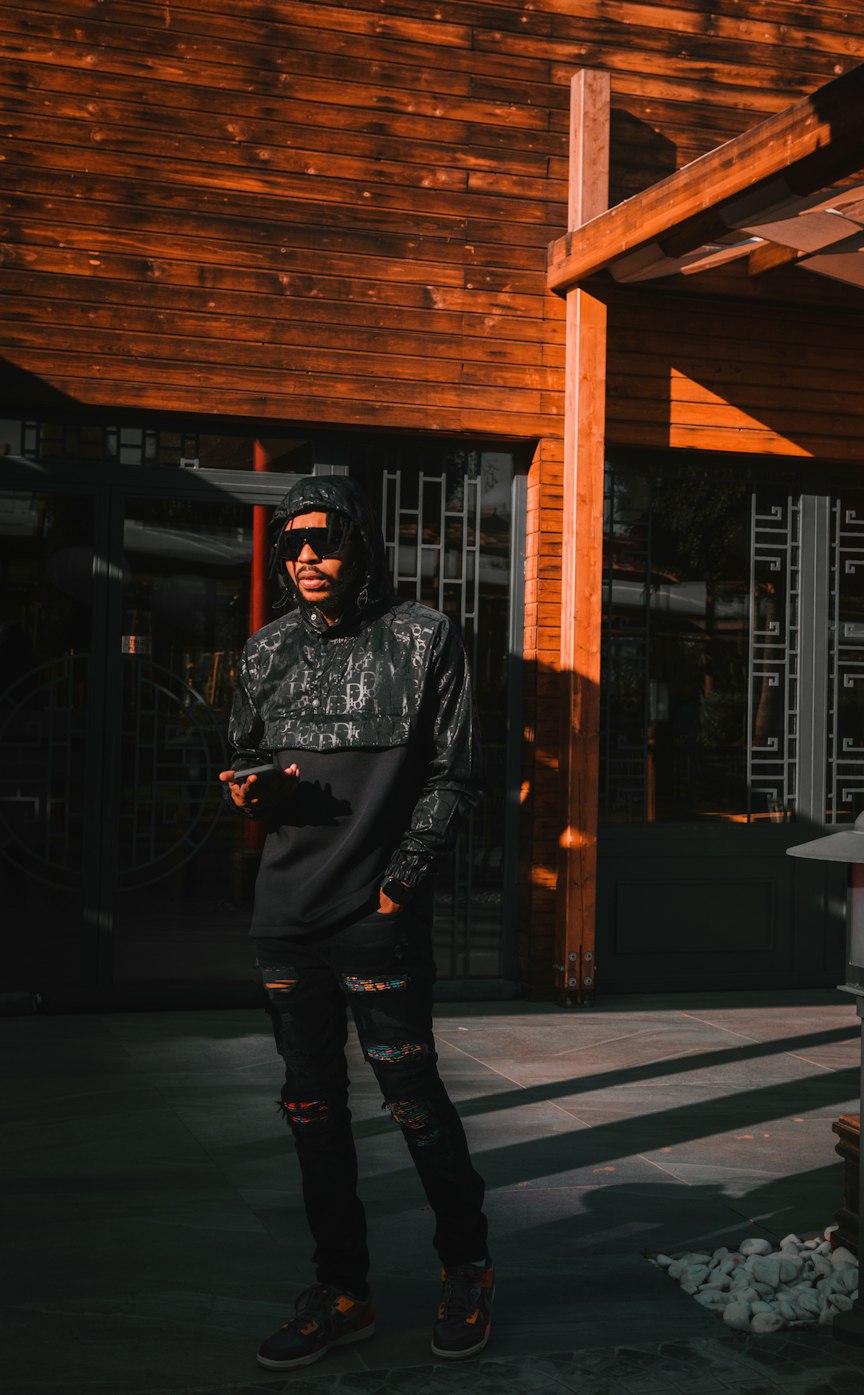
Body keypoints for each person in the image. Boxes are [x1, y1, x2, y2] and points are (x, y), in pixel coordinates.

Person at [219, 475, 492, 1370]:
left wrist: (403, 880)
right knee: (311, 1108)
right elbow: (244, 754)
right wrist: (248, 788)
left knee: (413, 1102)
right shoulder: (264, 652)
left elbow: (457, 773)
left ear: (360, 546)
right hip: (286, 919)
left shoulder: (423, 639)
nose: (306, 556)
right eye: (292, 543)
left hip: (378, 917)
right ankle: (343, 1289)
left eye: (324, 540)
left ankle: (468, 1268)